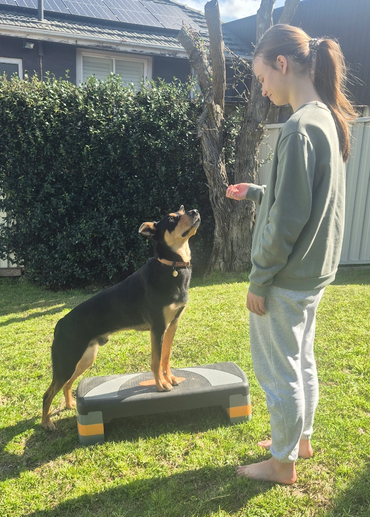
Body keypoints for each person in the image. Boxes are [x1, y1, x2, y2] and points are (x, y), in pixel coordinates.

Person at [226, 24, 357, 484]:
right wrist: (259, 191)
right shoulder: (324, 117)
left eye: (262, 77)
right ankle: (298, 441)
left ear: (283, 64)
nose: (262, 88)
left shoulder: (300, 126)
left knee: (279, 372)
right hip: (313, 274)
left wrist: (259, 280)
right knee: (300, 360)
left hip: (285, 277)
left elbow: (289, 221)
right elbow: (301, 197)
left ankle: (282, 465)